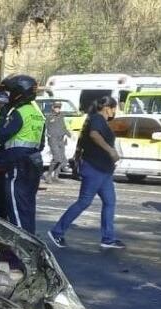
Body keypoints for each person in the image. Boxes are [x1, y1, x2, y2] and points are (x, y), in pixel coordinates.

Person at [46, 96, 122, 250]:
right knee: (84, 201)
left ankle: (108, 238)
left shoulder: (100, 120)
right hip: (94, 168)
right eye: (114, 109)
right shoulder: (97, 119)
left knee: (110, 202)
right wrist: (110, 150)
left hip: (104, 170)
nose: (115, 112)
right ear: (107, 108)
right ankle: (57, 232)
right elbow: (94, 135)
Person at [0, 74, 46, 234]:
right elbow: (41, 143)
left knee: (15, 204)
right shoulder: (37, 114)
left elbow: (1, 135)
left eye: (11, 92)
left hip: (18, 163)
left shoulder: (18, 113)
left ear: (19, 92)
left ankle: (21, 241)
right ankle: (30, 238)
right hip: (34, 162)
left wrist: (2, 118)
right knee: (28, 205)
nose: (9, 96)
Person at [44, 102, 69, 182]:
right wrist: (47, 134)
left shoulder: (62, 116)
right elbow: (44, 127)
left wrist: (69, 134)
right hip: (53, 140)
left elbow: (64, 127)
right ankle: (48, 175)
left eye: (59, 107)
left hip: (61, 139)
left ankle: (56, 176)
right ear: (53, 107)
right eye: (56, 107)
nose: (57, 109)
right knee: (57, 158)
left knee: (62, 159)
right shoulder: (49, 116)